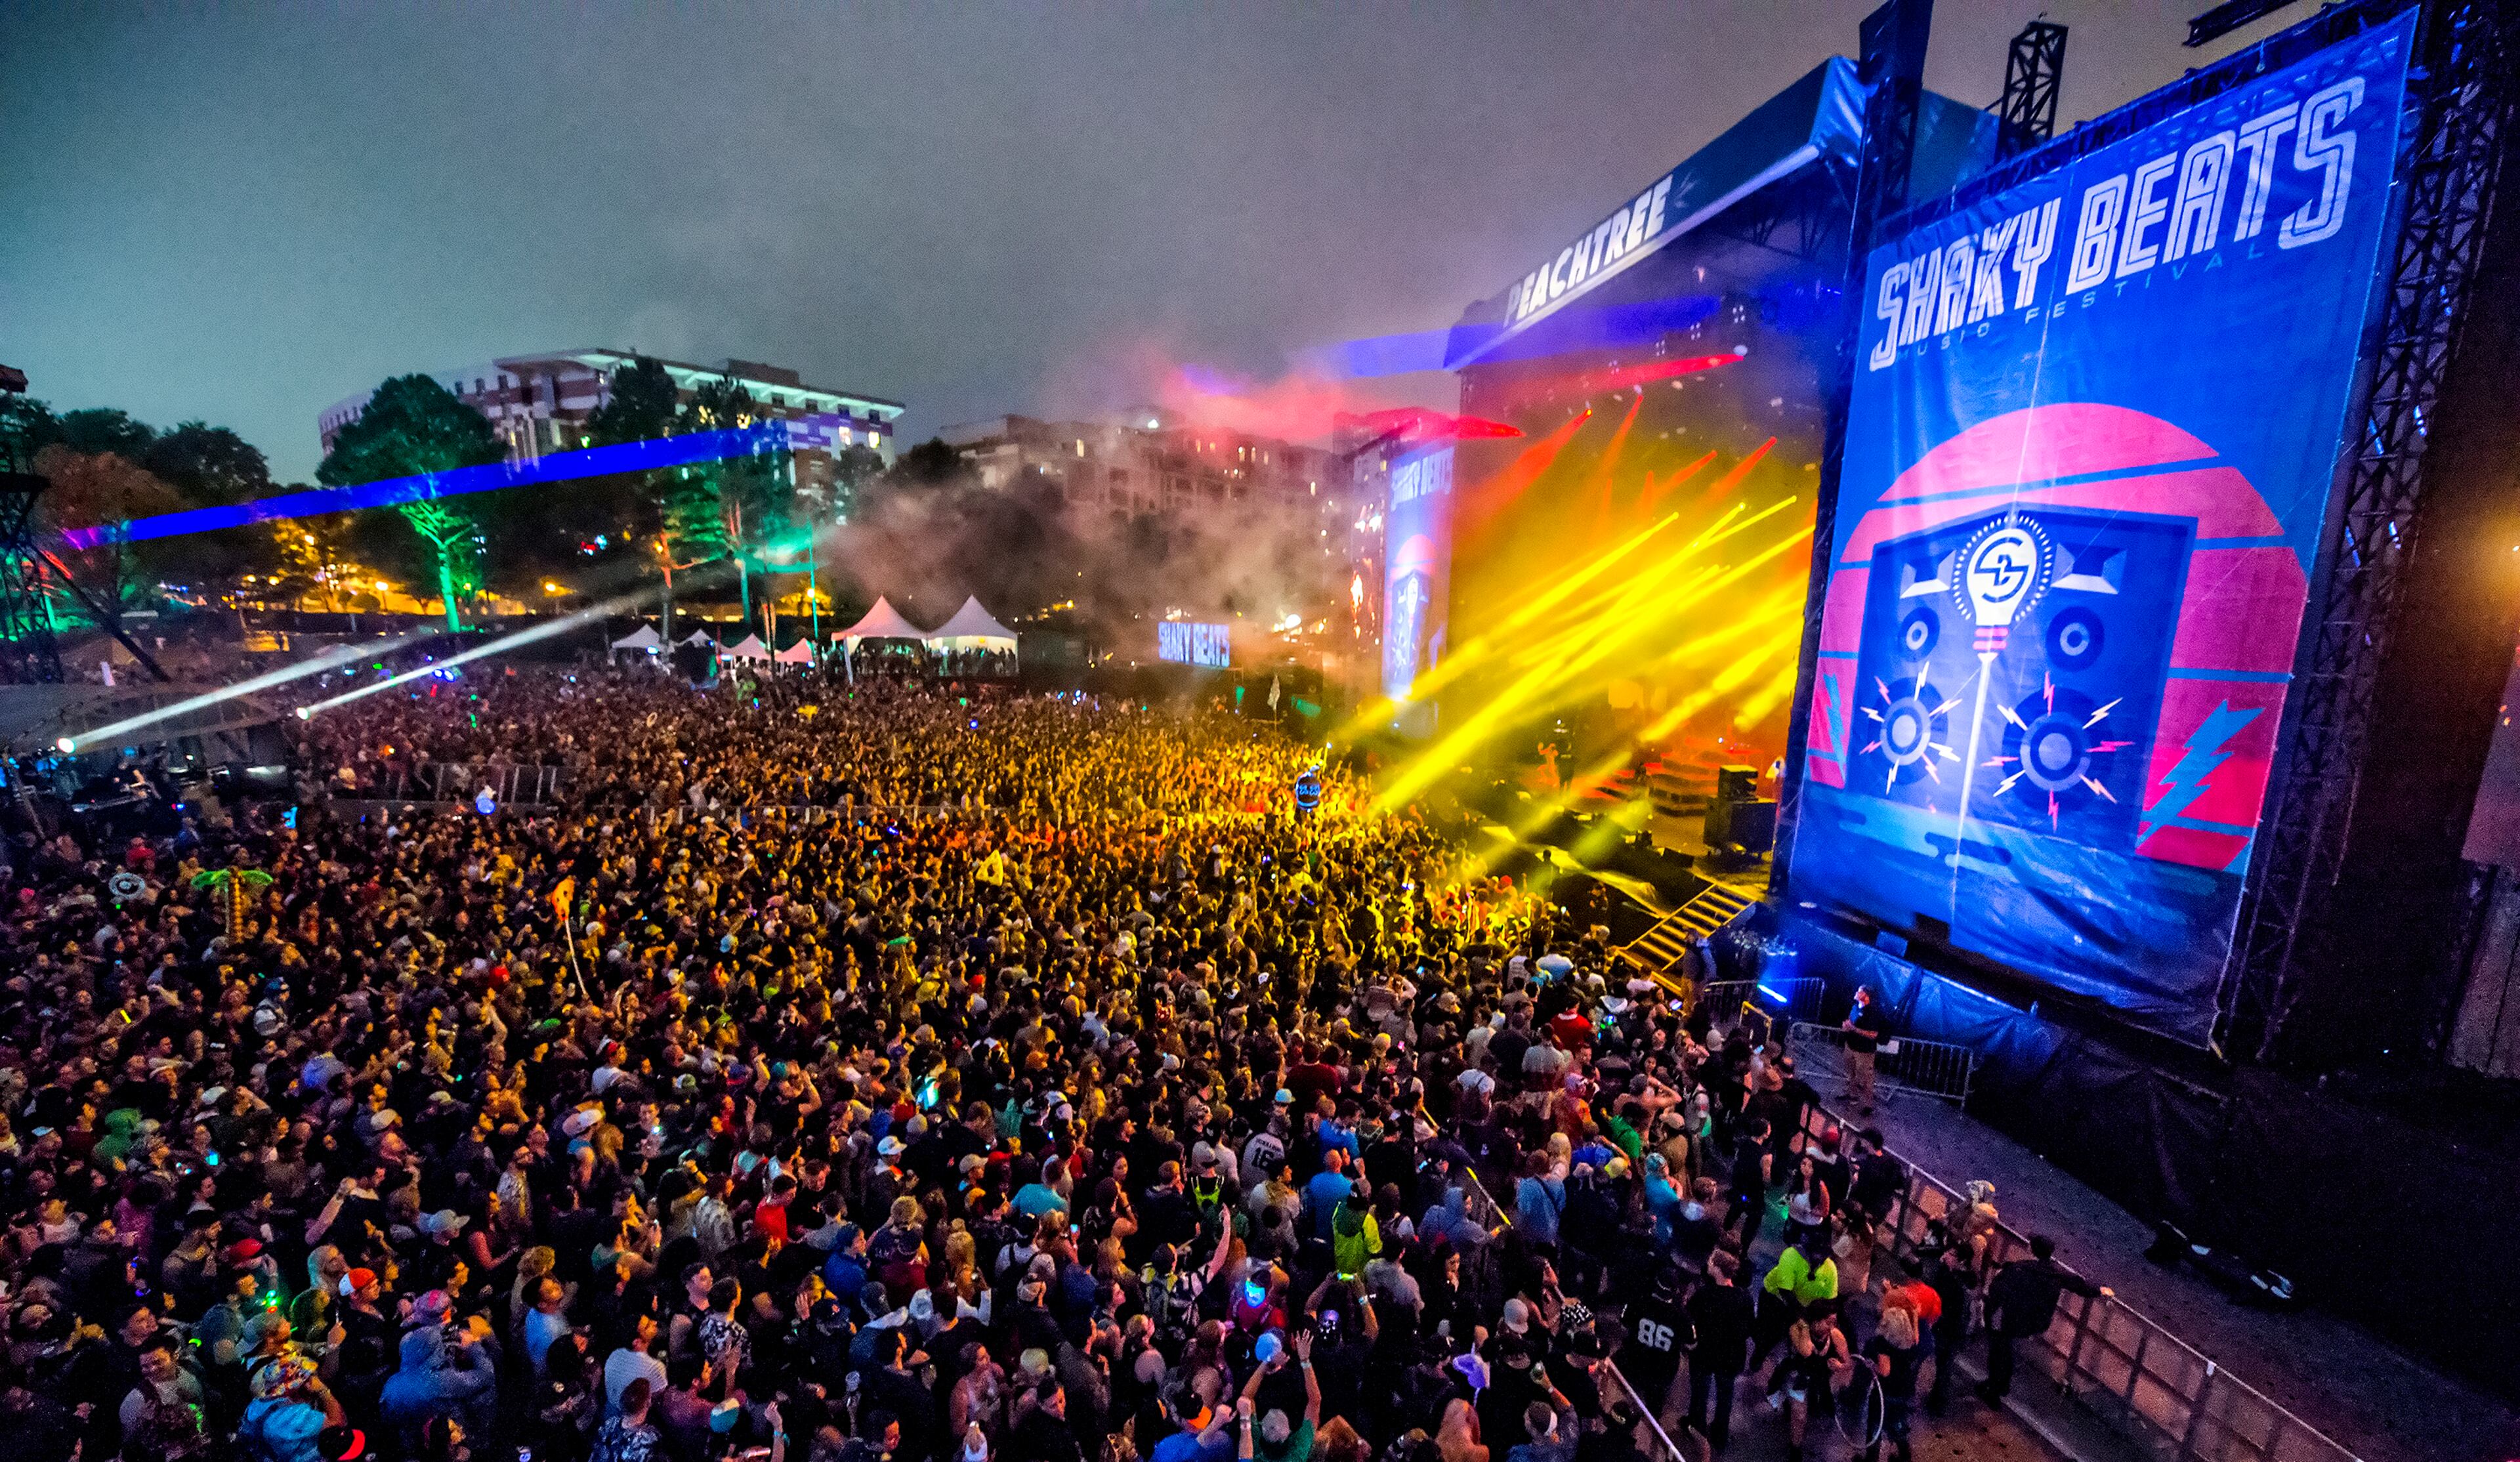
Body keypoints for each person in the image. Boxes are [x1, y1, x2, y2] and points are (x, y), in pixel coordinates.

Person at [1979, 1235, 2110, 1406]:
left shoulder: (2019, 1269)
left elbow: (1998, 1291)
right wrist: (2100, 1290)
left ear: (2031, 1249)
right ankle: (1999, 1385)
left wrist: (1988, 1313)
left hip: (2009, 1319)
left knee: (1999, 1353)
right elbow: (2081, 1286)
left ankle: (1995, 1388)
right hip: (2032, 1322)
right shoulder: (2056, 1273)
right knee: (2005, 1352)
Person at [1683, 1251, 1754, 1449]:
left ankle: (1696, 1427)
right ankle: (1720, 1434)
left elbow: (1689, 1318)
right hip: (1730, 1357)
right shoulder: (1744, 1298)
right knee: (1725, 1396)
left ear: (1717, 1269)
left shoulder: (1705, 1294)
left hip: (1704, 1353)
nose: (1708, 1264)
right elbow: (1749, 1328)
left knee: (1700, 1393)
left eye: (1712, 1262)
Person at [1842, 990, 1883, 1116]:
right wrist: (1846, 1026)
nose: (1856, 992)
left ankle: (1868, 1106)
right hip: (1850, 1046)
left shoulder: (1873, 1013)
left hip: (1864, 1052)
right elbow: (1850, 1021)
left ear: (1866, 995)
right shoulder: (1855, 1007)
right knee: (1851, 1074)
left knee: (1866, 1080)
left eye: (1859, 991)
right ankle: (1852, 1096)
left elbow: (1874, 1034)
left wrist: (1855, 1030)